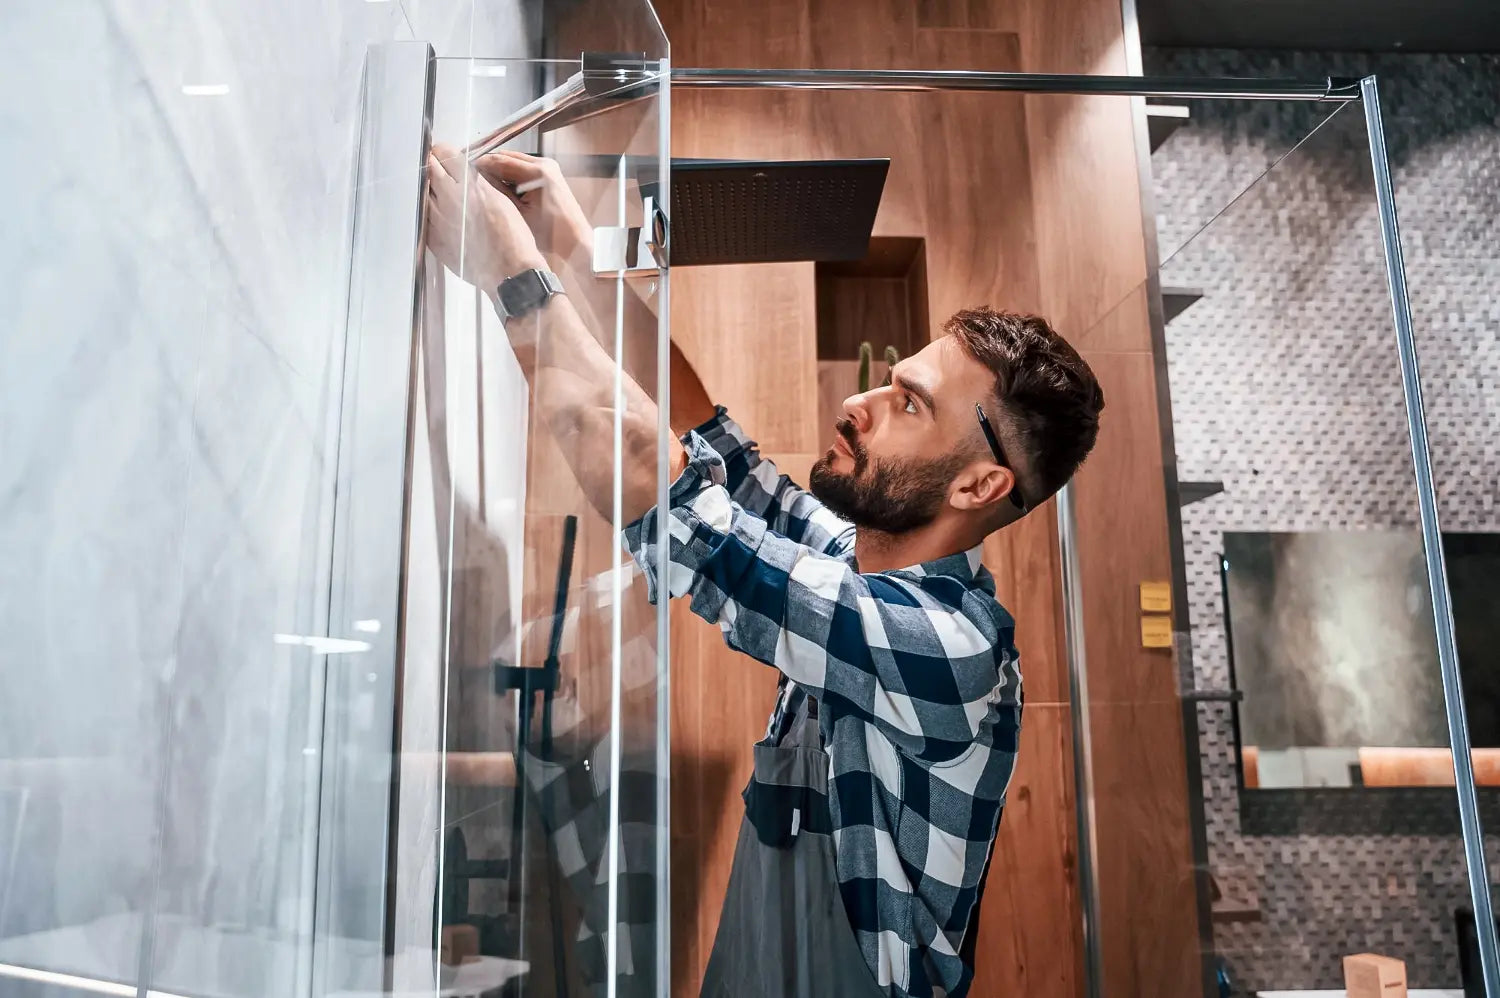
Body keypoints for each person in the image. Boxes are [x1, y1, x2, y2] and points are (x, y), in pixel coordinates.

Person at [425, 142, 1105, 998]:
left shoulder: (947, 647)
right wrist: (572, 246)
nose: (858, 402)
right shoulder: (858, 564)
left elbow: (667, 493)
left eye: (907, 403)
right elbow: (707, 440)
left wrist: (513, 275)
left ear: (978, 485)